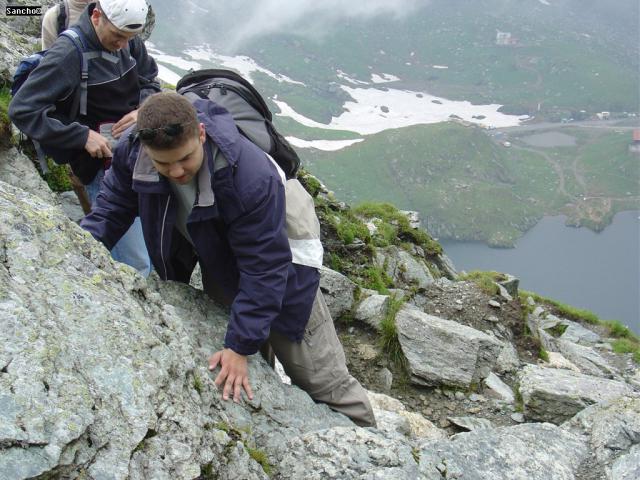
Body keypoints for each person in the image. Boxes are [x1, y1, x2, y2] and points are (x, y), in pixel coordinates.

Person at [80, 92, 376, 427]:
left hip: (286, 272)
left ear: (201, 134)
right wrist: (73, 247)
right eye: (163, 164)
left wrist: (237, 347)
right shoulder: (133, 152)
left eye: (186, 159)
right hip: (220, 261)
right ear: (146, 149)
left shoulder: (249, 175)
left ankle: (373, 444)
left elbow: (265, 267)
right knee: (250, 353)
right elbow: (112, 208)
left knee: (323, 380)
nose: (176, 172)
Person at [9, 0, 158, 276]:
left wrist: (144, 109)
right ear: (97, 16)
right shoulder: (69, 53)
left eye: (130, 38)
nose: (124, 45)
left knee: (142, 246)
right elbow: (22, 109)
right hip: (100, 165)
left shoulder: (128, 38)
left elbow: (149, 78)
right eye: (117, 37)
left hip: (135, 154)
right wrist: (80, 136)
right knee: (135, 263)